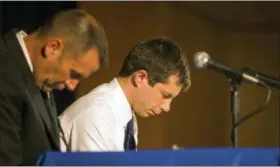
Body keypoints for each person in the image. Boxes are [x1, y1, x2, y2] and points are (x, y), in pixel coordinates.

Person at [0, 9, 108, 165]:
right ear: (53, 48)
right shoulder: (4, 72)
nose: (72, 86)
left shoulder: (38, 75)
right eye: (74, 74)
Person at [59, 37, 191, 152]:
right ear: (140, 77)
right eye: (165, 95)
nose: (166, 107)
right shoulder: (97, 113)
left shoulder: (127, 118)